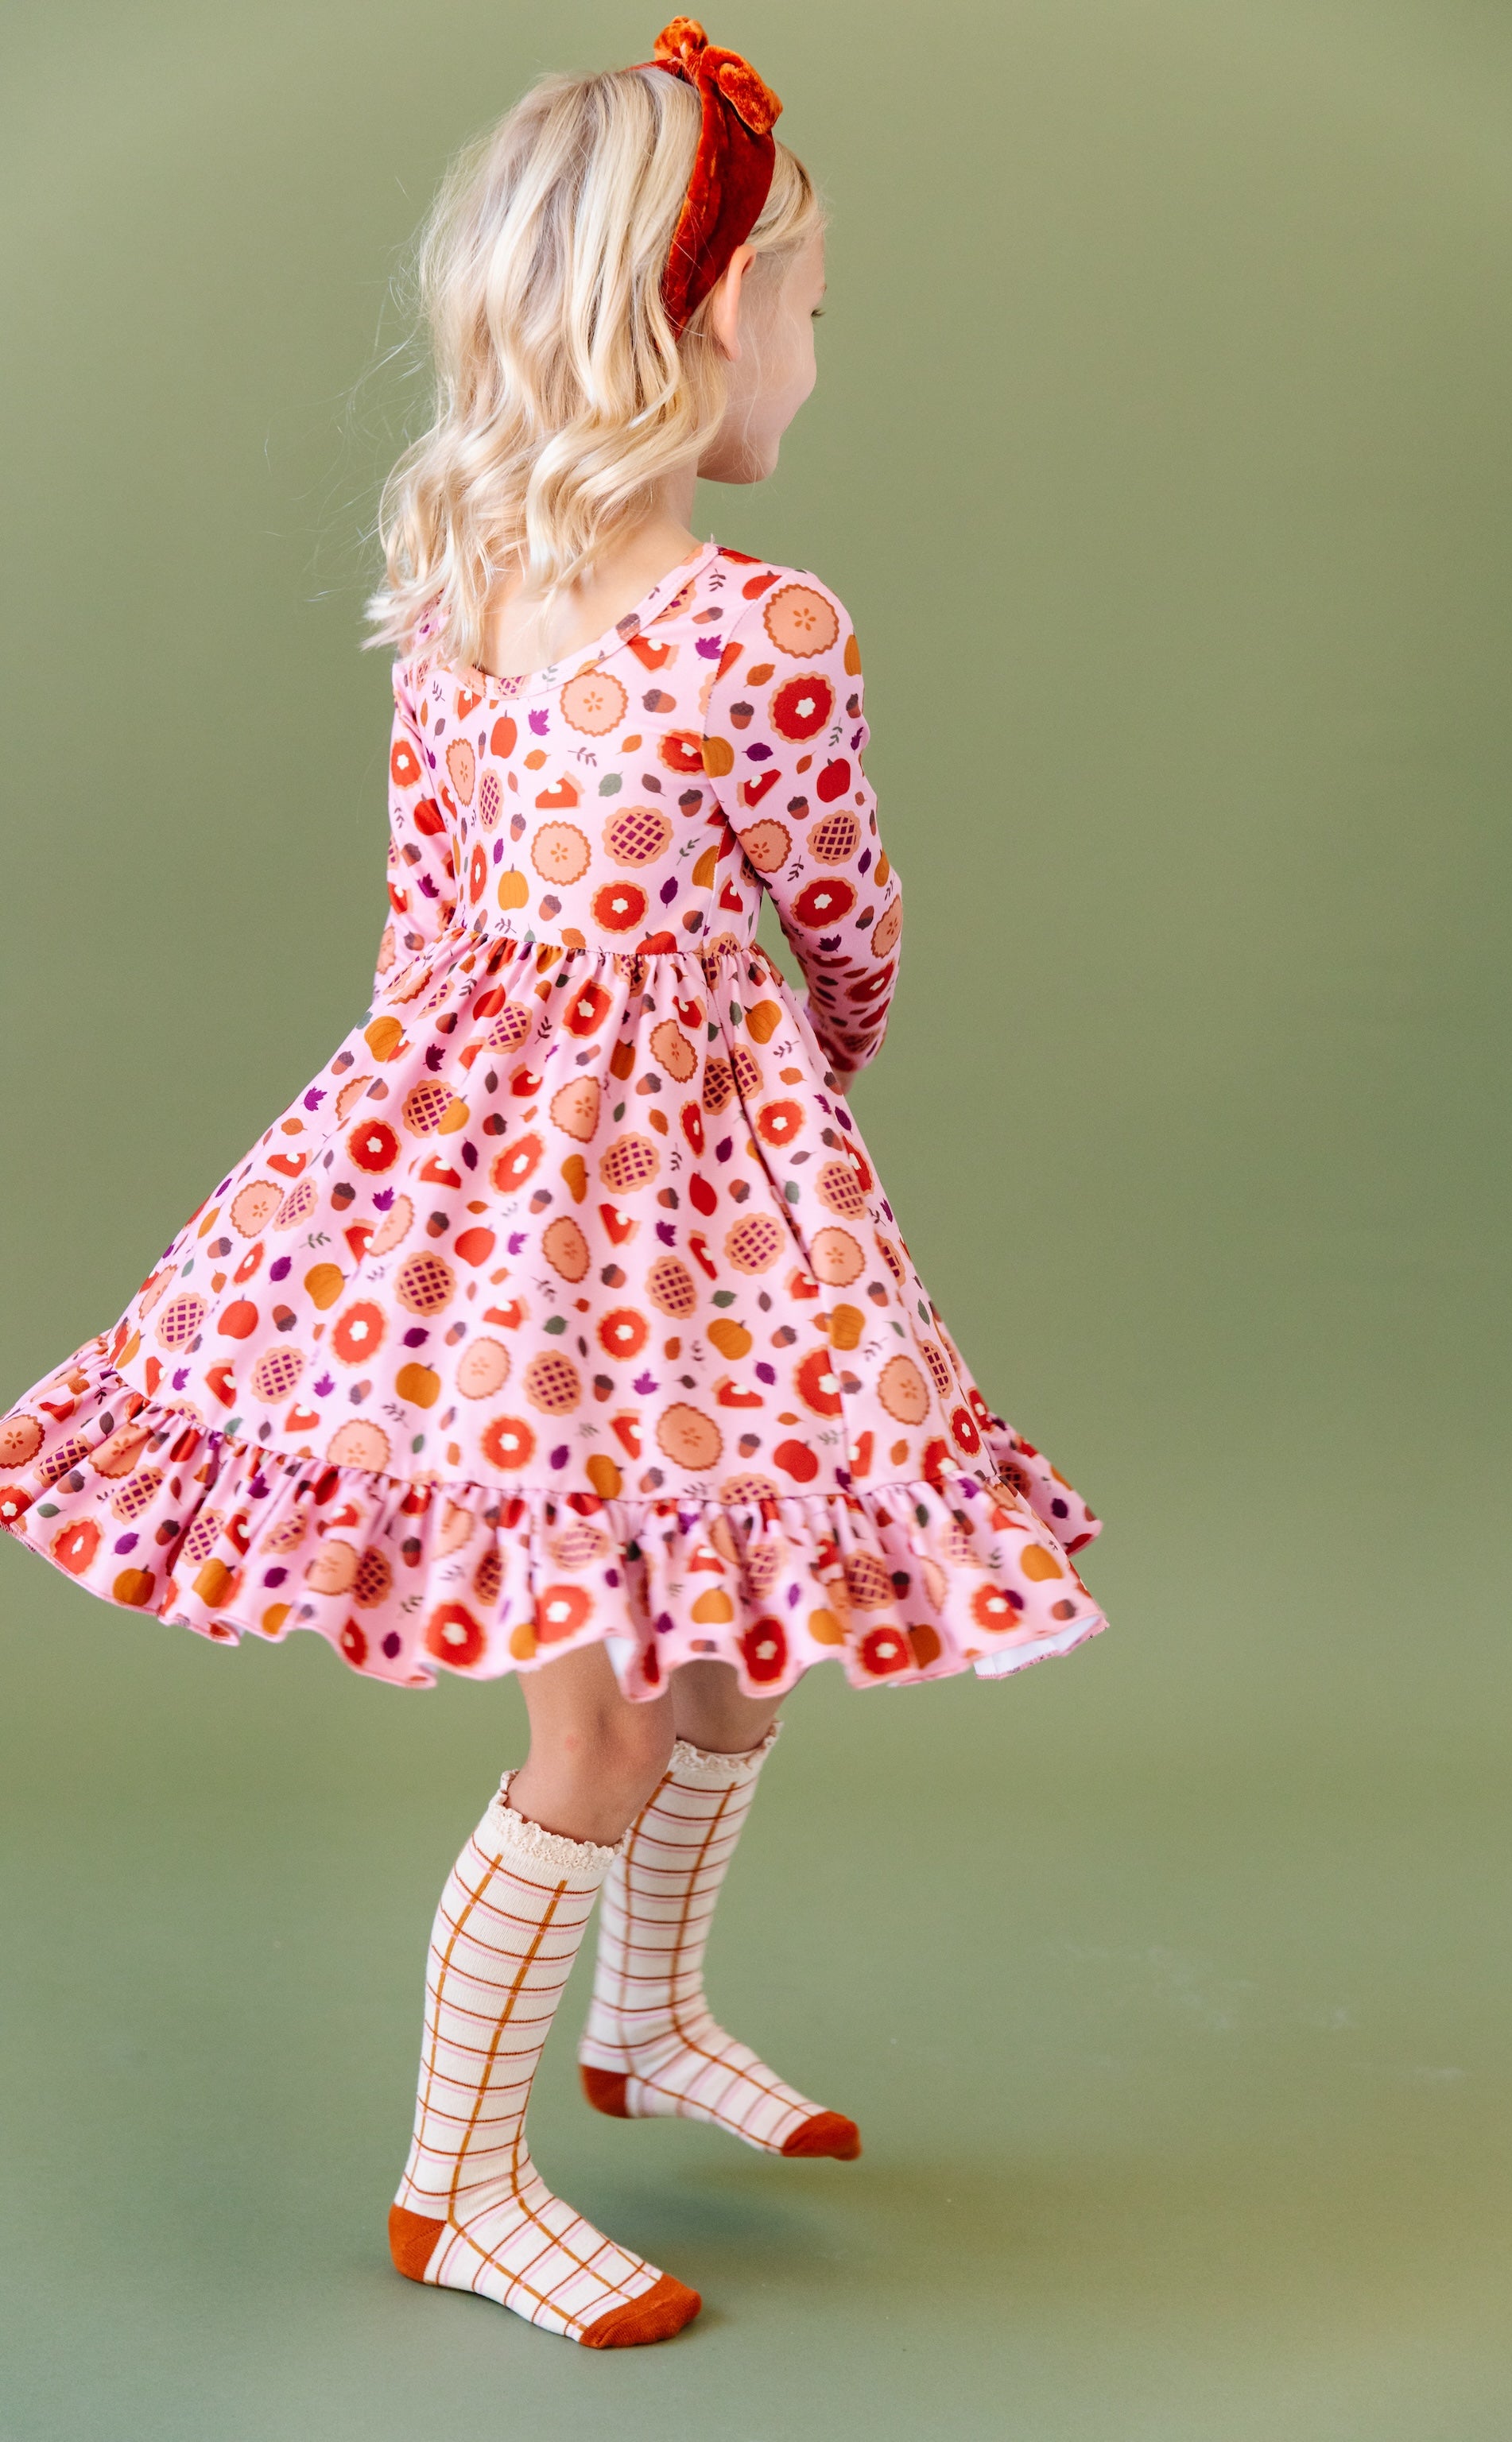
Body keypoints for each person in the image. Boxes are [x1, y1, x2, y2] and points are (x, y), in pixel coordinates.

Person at [0, 20, 1105, 2349]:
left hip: (638, 1226)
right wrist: (764, 1091)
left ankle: (656, 2020)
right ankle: (461, 2179)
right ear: (701, 324)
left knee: (728, 1652)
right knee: (594, 1724)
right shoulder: (751, 634)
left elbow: (426, 921)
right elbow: (855, 927)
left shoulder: (472, 589)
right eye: (809, 302)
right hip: (557, 1246)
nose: (821, 345)